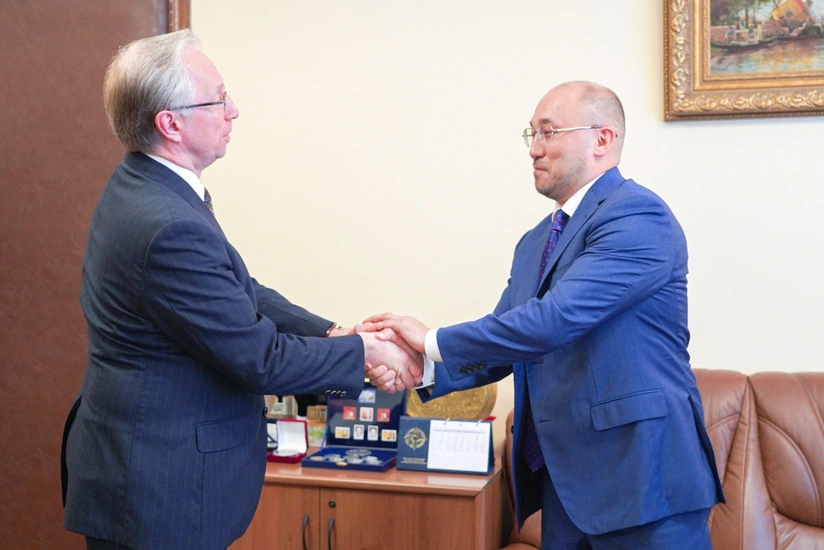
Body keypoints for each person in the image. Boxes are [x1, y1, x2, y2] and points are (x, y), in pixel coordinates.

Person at [61, 29, 420, 550]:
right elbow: (260, 359)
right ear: (170, 123)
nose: (234, 111)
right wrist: (365, 351)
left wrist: (332, 333)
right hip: (160, 491)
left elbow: (235, 289)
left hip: (146, 471)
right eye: (219, 99)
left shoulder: (142, 186)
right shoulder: (167, 223)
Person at [362, 81, 724, 549]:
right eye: (531, 134)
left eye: (549, 132)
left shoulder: (638, 216)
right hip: (564, 485)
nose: (534, 149)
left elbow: (555, 320)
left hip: (643, 480)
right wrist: (421, 368)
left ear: (602, 139)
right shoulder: (536, 241)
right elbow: (505, 346)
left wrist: (430, 340)